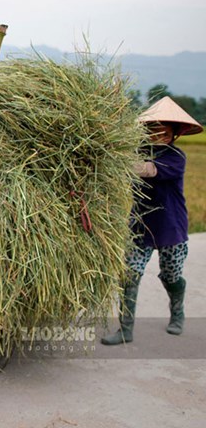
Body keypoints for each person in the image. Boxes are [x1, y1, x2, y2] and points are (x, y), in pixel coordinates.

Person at [102, 96, 203, 345]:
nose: (159, 135)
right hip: (140, 225)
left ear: (173, 134)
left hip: (171, 226)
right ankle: (125, 330)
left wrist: (118, 161)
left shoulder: (176, 158)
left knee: (171, 275)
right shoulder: (136, 152)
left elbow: (148, 170)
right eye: (154, 129)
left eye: (165, 131)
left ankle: (177, 314)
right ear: (146, 131)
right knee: (129, 275)